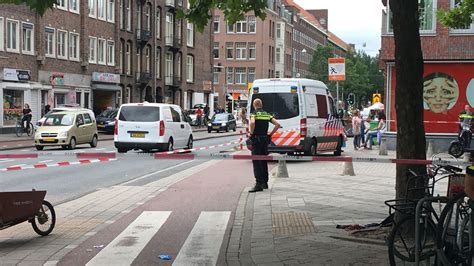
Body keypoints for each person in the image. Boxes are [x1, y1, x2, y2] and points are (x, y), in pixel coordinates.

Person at [248, 98, 281, 192]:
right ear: (261, 105)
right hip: (265, 140)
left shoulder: (253, 114)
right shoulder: (267, 115)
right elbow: (277, 124)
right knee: (263, 160)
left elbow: (253, 122)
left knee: (256, 161)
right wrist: (270, 134)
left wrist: (251, 132)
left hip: (256, 140)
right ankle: (265, 183)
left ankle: (258, 184)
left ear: (254, 105)